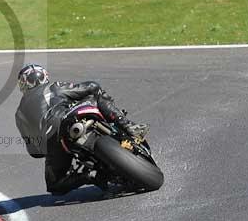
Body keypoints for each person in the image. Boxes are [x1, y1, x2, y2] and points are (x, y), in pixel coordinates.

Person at [14, 63, 149, 195]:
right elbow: (91, 86)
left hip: (53, 143)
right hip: (67, 120)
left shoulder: (19, 114)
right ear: (45, 76)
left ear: (22, 85)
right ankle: (128, 126)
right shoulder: (52, 87)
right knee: (95, 94)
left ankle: (89, 176)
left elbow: (34, 152)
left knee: (54, 185)